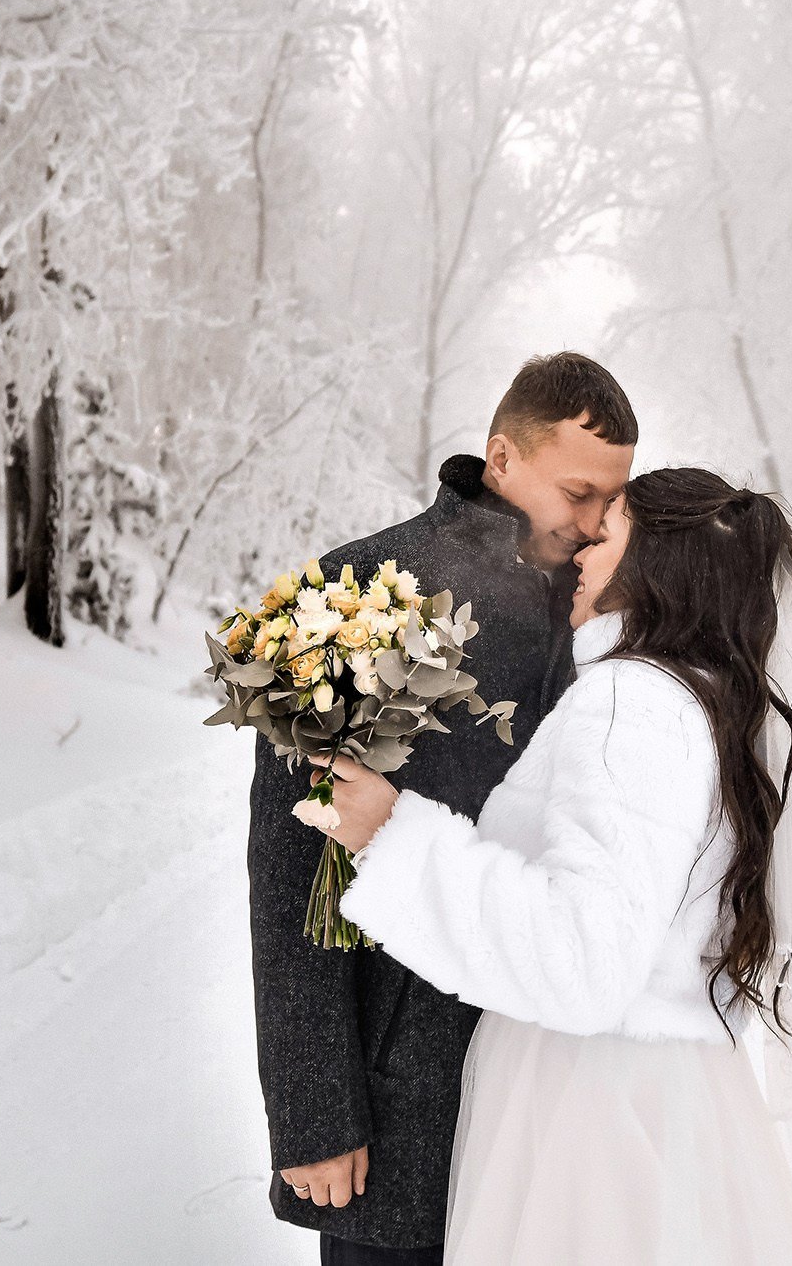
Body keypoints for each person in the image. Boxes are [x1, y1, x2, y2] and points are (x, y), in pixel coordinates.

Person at [316, 468, 792, 1265]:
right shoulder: (698, 699)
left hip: (589, 1118)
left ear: (659, 560)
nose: (586, 543)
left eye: (611, 526)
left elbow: (585, 960)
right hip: (659, 1099)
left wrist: (393, 837)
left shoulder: (635, 704)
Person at [248, 352, 638, 1264]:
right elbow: (288, 873)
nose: (590, 525)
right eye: (578, 493)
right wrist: (315, 1111)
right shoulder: (351, 599)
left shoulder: (598, 617)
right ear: (502, 456)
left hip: (555, 1103)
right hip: (401, 1106)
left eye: (609, 505)